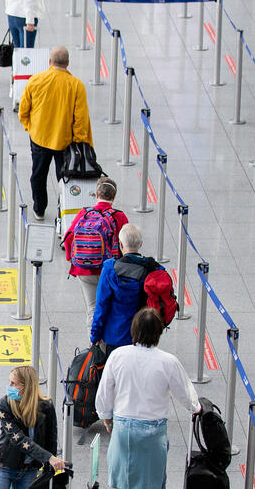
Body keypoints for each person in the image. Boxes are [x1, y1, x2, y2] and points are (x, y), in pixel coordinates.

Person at [96, 308, 200, 489]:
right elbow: (186, 395)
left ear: (134, 329)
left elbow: (104, 392)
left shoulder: (118, 356)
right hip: (153, 432)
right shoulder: (168, 361)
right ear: (159, 331)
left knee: (120, 481)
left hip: (123, 429)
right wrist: (196, 408)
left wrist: (106, 417)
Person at [19, 46, 93, 221]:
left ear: (50, 62)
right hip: (66, 141)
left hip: (39, 138)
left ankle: (39, 208)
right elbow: (80, 117)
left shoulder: (36, 80)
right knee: (65, 179)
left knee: (38, 174)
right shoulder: (76, 85)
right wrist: (79, 140)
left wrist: (29, 126)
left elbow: (23, 109)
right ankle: (63, 212)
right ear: (68, 63)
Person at [62, 177, 128, 330]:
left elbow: (68, 238)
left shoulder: (84, 213)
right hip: (109, 269)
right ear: (114, 196)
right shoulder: (119, 216)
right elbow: (126, 245)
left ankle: (94, 348)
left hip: (84, 269)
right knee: (110, 308)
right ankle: (108, 344)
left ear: (96, 195)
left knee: (92, 308)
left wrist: (72, 259)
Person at [0, 366, 63, 489]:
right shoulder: (4, 404)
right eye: (9, 382)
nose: (9, 386)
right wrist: (49, 457)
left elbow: (51, 437)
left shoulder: (46, 406)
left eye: (13, 383)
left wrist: (50, 463)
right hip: (4, 465)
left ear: (27, 387)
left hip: (30, 469)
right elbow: (18, 438)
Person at [91, 224, 148, 356]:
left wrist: (95, 336)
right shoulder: (149, 269)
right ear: (141, 244)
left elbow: (101, 305)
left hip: (114, 336)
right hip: (141, 336)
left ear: (121, 244)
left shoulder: (110, 268)